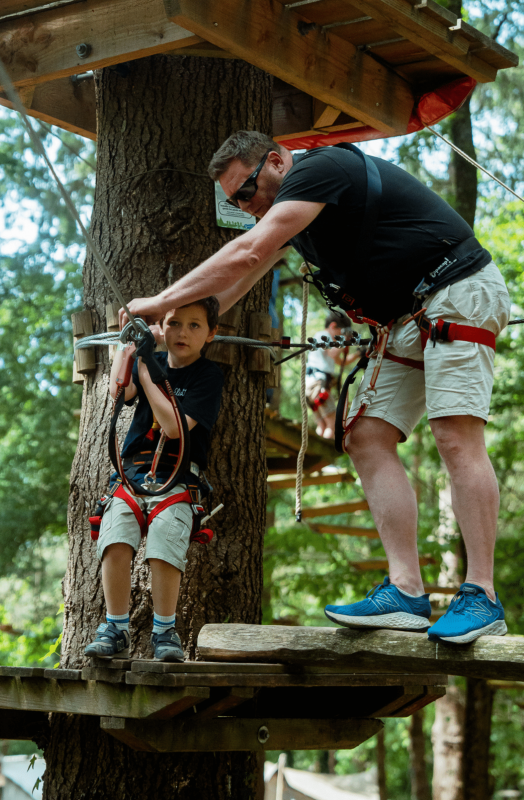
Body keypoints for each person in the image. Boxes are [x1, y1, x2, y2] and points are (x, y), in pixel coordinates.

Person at [120, 130, 510, 645]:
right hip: (406, 316)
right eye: (235, 200)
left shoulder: (317, 170)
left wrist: (158, 300)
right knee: (366, 435)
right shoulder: (294, 215)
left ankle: (481, 594)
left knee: (454, 436)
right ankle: (406, 591)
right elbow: (243, 277)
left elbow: (248, 251)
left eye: (247, 191)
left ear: (278, 161)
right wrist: (170, 325)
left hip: (458, 288)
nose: (246, 206)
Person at [85, 298, 223, 662]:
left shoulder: (208, 376)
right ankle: (115, 626)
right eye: (174, 324)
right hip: (131, 475)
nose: (182, 333)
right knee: (116, 532)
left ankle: (165, 630)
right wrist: (127, 346)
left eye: (195, 325)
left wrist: (145, 371)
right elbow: (119, 392)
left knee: (166, 531)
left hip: (176, 479)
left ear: (212, 334)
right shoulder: (151, 359)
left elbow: (175, 426)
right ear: (161, 328)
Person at [305, 310, 360, 438]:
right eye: (341, 333)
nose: (340, 338)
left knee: (323, 425)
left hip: (312, 387)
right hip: (319, 385)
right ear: (333, 326)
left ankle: (314, 452)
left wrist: (358, 354)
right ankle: (326, 455)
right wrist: (345, 341)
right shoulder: (324, 335)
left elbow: (341, 361)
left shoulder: (323, 338)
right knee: (333, 425)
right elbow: (333, 353)